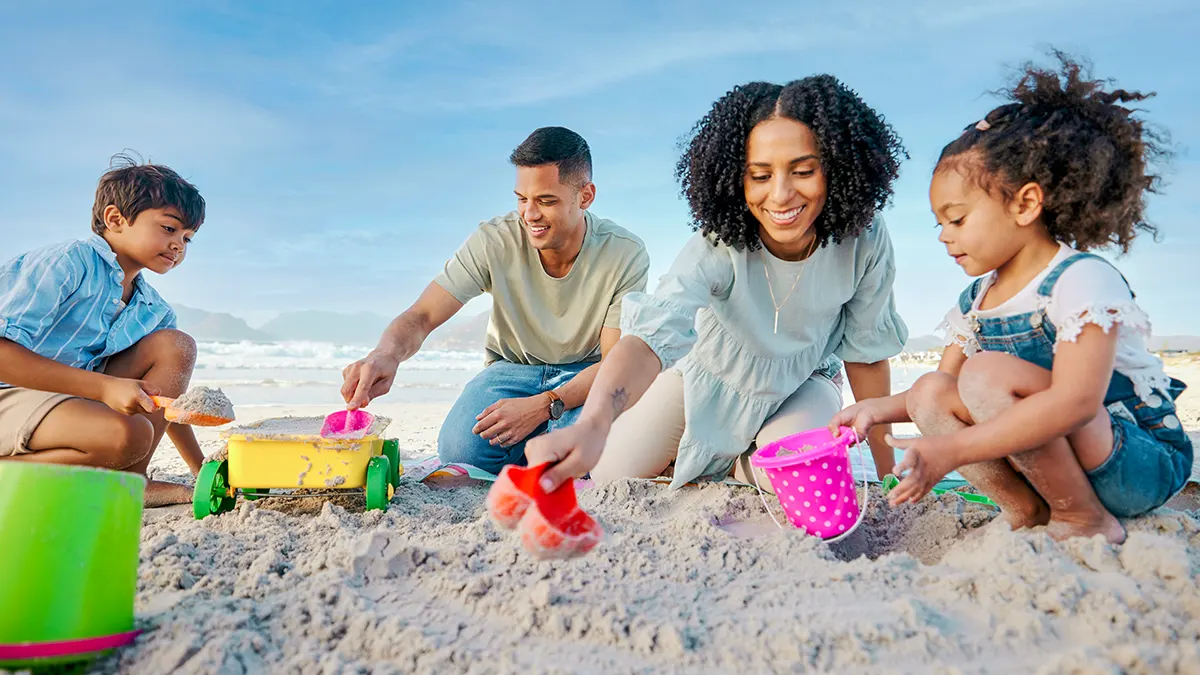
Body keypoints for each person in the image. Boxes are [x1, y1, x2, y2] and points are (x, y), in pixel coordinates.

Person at [831, 52, 1191, 544]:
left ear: (1024, 204)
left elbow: (1077, 403)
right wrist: (873, 408)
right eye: (939, 224)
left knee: (986, 373)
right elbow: (941, 389)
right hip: (1062, 461)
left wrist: (954, 452)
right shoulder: (975, 300)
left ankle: (1083, 517)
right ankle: (1026, 512)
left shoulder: (1078, 280)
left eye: (957, 219)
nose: (943, 236)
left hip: (1135, 461)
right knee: (930, 390)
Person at [527, 75, 909, 492]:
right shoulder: (720, 243)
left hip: (804, 384)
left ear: (836, 168)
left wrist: (889, 474)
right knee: (609, 473)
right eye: (759, 175)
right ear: (735, 177)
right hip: (706, 376)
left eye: (802, 171)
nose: (780, 195)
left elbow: (866, 352)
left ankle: (732, 467)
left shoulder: (864, 238)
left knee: (804, 481)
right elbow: (650, 336)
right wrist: (594, 424)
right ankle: (717, 457)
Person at [341, 127, 650, 475]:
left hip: (586, 373)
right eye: (522, 198)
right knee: (459, 451)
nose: (529, 214)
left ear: (585, 196)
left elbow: (614, 363)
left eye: (546, 201)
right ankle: (528, 445)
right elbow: (423, 315)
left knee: (588, 458)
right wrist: (385, 355)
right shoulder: (494, 240)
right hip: (511, 371)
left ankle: (536, 439)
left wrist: (544, 406)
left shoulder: (625, 252)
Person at [0, 154, 207, 506]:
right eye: (169, 229)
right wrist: (104, 386)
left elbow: (164, 404)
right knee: (124, 435)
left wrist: (200, 466)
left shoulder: (152, 309)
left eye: (188, 238)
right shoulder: (69, 262)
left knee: (176, 346)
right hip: (10, 394)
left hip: (69, 405)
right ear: (115, 219)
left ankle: (131, 480)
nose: (179, 246)